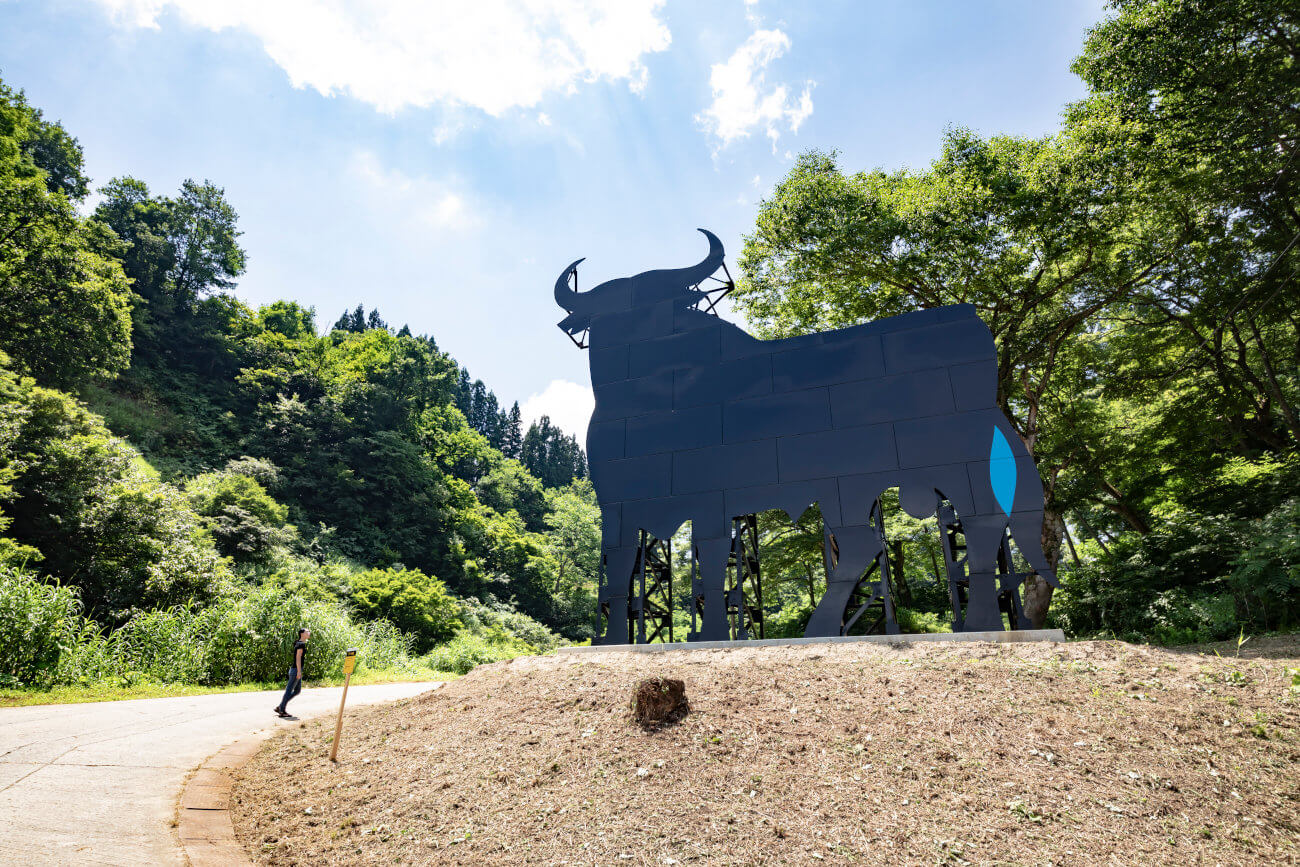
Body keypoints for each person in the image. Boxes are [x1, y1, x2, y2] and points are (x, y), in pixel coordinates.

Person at [274, 627, 310, 717]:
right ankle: (282, 711)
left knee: (297, 691)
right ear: (302, 634)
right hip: (296, 670)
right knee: (289, 690)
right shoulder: (301, 644)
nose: (309, 633)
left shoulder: (300, 643)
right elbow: (298, 658)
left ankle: (280, 706)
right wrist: (299, 672)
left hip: (296, 670)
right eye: (307, 631)